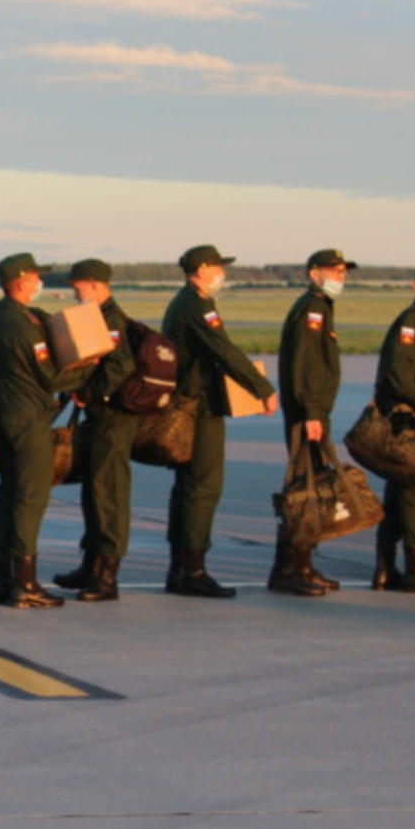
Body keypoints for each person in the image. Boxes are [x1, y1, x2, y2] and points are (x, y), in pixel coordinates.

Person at [162, 244, 278, 598]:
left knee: (187, 489)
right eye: (217, 268)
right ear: (201, 270)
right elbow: (224, 350)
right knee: (203, 487)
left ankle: (181, 569)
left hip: (189, 405)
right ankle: (193, 571)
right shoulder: (198, 306)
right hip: (200, 409)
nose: (222, 274)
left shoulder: (184, 302)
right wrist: (262, 389)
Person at [0, 253, 89, 609]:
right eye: (34, 278)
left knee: (10, 496)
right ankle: (24, 583)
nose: (38, 283)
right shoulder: (21, 324)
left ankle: (1, 580)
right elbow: (49, 375)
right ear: (20, 281)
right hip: (28, 420)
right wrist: (89, 371)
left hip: (10, 415)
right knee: (30, 499)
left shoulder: (1, 313)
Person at [269, 249, 354, 597]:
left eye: (343, 271)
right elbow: (305, 367)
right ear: (314, 273)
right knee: (303, 491)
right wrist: (312, 414)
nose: (340, 277)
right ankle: (290, 568)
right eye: (333, 270)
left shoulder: (319, 306)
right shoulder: (313, 309)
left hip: (313, 411)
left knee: (312, 487)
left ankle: (301, 563)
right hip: (309, 414)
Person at [52, 259, 137, 602]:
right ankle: (90, 565)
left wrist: (87, 393)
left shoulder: (112, 320)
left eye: (77, 287)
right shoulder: (96, 317)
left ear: (94, 284)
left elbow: (120, 367)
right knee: (93, 493)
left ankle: (107, 575)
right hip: (98, 420)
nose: (74, 292)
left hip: (114, 419)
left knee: (109, 494)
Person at [372, 266, 415, 592]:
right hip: (409, 421)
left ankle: (385, 566)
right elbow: (398, 369)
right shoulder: (413, 320)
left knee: (396, 496)